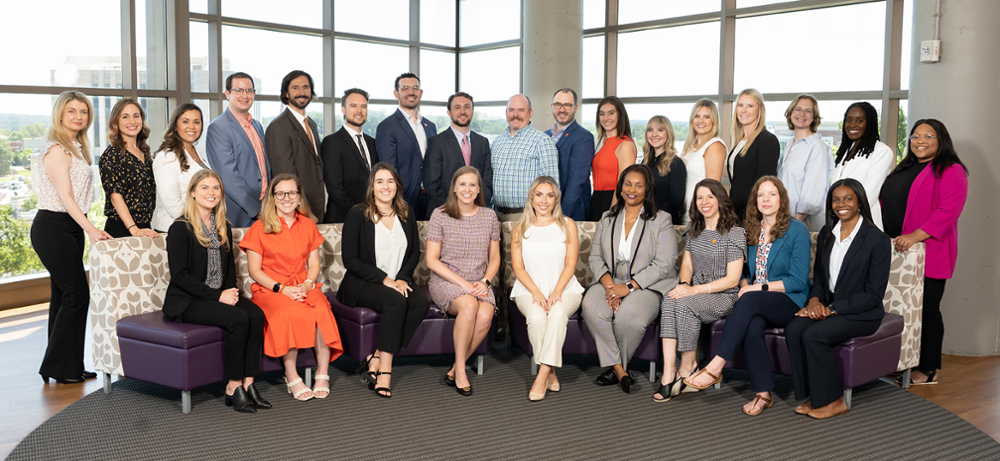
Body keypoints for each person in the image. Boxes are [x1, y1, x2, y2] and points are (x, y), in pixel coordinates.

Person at [679, 177, 811, 415]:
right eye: (761, 195)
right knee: (752, 325)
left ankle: (717, 364)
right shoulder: (752, 229)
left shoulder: (797, 230)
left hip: (789, 299)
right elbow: (748, 271)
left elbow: (798, 281)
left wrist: (756, 288)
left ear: (781, 198)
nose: (766, 200)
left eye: (772, 194)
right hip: (759, 302)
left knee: (747, 300)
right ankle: (763, 394)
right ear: (755, 200)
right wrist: (744, 282)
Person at [163, 169, 269, 413]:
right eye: (204, 188)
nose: (211, 193)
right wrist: (218, 296)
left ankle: (249, 382)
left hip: (217, 294)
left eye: (216, 188)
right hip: (187, 301)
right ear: (192, 193)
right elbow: (180, 276)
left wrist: (230, 290)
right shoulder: (180, 228)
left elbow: (229, 267)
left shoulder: (223, 226)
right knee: (237, 318)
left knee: (255, 314)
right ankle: (233, 386)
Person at [785, 178, 890, 419]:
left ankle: (833, 401)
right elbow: (820, 279)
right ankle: (814, 395)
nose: (841, 204)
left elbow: (874, 295)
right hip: (829, 306)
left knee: (814, 334)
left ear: (860, 203)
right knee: (793, 328)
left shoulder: (877, 240)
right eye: (835, 199)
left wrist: (831, 309)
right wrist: (814, 302)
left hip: (862, 313)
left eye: (848, 198)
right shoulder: (827, 234)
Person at [239, 174, 344, 401]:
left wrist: (307, 284)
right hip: (270, 290)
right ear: (273, 198)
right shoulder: (260, 227)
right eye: (280, 193)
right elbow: (255, 272)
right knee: (291, 312)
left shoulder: (307, 225)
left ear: (299, 197)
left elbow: (314, 264)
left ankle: (322, 374)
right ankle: (292, 375)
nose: (286, 198)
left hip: (303, 285)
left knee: (322, 310)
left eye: (292, 193)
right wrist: (282, 288)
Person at [32, 91, 112, 385]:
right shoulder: (56, 149)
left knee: (64, 296)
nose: (78, 116)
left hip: (69, 227)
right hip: (53, 226)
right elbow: (65, 197)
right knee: (77, 294)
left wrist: (83, 228)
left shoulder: (76, 148)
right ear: (60, 115)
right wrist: (91, 229)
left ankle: (67, 365)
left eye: (83, 112)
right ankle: (58, 366)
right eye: (72, 111)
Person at [880, 119, 968, 386]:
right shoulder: (904, 168)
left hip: (929, 250)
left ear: (941, 140)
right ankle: (904, 361)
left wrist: (914, 236)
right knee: (901, 309)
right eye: (915, 136)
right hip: (896, 249)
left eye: (928, 136)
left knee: (927, 309)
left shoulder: (951, 170)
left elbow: (948, 211)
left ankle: (928, 368)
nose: (920, 141)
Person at [582, 164, 678, 394]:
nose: (632, 189)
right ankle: (620, 370)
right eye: (627, 183)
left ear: (647, 190)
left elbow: (664, 263)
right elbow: (595, 258)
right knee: (592, 307)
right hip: (611, 280)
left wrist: (627, 287)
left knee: (630, 318)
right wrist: (610, 288)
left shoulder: (661, 219)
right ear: (620, 187)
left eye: (639, 185)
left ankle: (616, 367)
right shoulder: (607, 218)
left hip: (647, 284)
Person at [339, 163, 431, 398]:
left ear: (397, 185)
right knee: (396, 302)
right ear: (372, 186)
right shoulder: (357, 214)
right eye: (380, 181)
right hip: (363, 283)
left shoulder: (406, 212)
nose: (385, 186)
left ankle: (377, 355)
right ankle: (385, 373)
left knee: (420, 302)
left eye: (390, 181)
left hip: (397, 281)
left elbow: (414, 253)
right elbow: (350, 260)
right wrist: (386, 280)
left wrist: (401, 278)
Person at [653, 179, 746, 401]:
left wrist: (694, 291)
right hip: (696, 291)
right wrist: (684, 284)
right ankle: (668, 372)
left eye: (710, 196)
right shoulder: (694, 230)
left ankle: (688, 365)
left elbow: (733, 280)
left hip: (723, 295)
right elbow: (687, 265)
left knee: (684, 303)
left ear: (720, 199)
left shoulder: (735, 233)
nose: (704, 202)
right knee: (670, 299)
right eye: (699, 197)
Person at [425, 166, 501, 396]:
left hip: (479, 282)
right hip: (446, 281)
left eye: (472, 184)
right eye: (463, 184)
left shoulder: (489, 216)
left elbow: (495, 258)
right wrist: (464, 285)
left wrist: (486, 282)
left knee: (486, 315)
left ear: (478, 189)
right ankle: (460, 370)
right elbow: (431, 260)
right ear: (455, 188)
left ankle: (455, 366)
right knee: (469, 305)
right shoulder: (440, 214)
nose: (467, 189)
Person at [510, 176, 585, 401]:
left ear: (556, 199)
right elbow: (518, 268)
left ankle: (541, 375)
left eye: (550, 195)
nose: (544, 200)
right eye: (539, 194)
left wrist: (555, 292)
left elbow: (571, 264)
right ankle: (551, 371)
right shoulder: (520, 228)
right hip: (528, 289)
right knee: (536, 318)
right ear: (531, 198)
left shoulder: (567, 224)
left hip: (565, 289)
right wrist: (536, 292)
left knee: (557, 314)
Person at [206, 72, 270, 228]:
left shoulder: (257, 126)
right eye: (239, 90)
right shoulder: (218, 128)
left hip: (266, 211)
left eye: (249, 91)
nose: (245, 95)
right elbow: (228, 176)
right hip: (240, 214)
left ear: (254, 94)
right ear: (228, 94)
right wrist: (256, 210)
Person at [376, 73, 437, 219]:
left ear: (421, 93)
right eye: (405, 88)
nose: (411, 92)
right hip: (403, 200)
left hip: (431, 200)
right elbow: (389, 169)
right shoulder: (387, 126)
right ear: (396, 93)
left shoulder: (430, 126)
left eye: (415, 88)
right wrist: (397, 200)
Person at [265, 70, 324, 223]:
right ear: (286, 93)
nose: (302, 92)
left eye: (306, 87)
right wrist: (305, 212)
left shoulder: (311, 123)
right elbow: (285, 178)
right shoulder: (278, 126)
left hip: (317, 207)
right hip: (298, 213)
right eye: (295, 88)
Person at [490, 94, 560, 222]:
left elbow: (552, 185)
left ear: (530, 113)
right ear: (506, 113)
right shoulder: (496, 142)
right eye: (511, 110)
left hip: (526, 216)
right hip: (496, 215)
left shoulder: (542, 141)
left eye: (521, 110)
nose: (515, 114)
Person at [423, 92, 493, 212]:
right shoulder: (436, 142)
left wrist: (476, 207)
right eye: (457, 107)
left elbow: (487, 181)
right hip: (445, 211)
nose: (462, 111)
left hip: (477, 212)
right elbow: (432, 183)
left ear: (472, 111)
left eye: (467, 107)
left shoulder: (483, 142)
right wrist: (456, 208)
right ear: (449, 113)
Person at [99, 98, 158, 238]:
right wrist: (133, 229)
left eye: (136, 116)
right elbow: (115, 196)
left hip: (144, 226)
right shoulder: (111, 155)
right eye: (125, 116)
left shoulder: (144, 153)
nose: (132, 121)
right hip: (122, 228)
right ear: (116, 122)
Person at [830, 102, 894, 230]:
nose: (852, 125)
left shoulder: (882, 151)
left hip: (863, 222)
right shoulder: (847, 151)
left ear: (869, 123)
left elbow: (869, 193)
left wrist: (844, 214)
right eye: (849, 120)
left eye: (859, 120)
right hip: (840, 221)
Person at [321, 88, 379, 223]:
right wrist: (359, 213)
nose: (359, 110)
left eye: (363, 106)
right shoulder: (332, 142)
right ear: (343, 109)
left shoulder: (372, 142)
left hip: (371, 217)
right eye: (353, 106)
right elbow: (335, 188)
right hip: (343, 218)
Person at [778, 95, 835, 232]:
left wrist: (793, 225)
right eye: (798, 109)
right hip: (785, 221)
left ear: (814, 117)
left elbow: (813, 195)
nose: (802, 114)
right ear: (790, 112)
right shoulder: (790, 144)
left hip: (803, 226)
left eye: (808, 111)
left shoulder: (817, 147)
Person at [152, 103, 212, 233]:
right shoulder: (167, 156)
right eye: (185, 121)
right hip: (177, 229)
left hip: (199, 228)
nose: (191, 126)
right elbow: (172, 203)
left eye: (196, 122)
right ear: (175, 126)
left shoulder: (197, 152)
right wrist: (199, 225)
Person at [726, 89, 780, 219]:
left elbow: (763, 185)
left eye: (750, 106)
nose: (744, 110)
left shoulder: (767, 140)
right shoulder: (740, 143)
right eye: (740, 105)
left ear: (760, 109)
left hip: (753, 217)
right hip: (736, 214)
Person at [546, 88, 596, 221]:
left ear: (575, 108)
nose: (562, 109)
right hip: (546, 211)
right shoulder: (545, 135)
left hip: (570, 213)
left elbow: (577, 182)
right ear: (552, 106)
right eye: (558, 105)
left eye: (567, 105)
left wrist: (561, 216)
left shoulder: (584, 137)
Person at [589, 96, 637, 221]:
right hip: (597, 199)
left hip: (612, 201)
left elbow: (624, 184)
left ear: (620, 115)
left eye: (611, 113)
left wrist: (613, 211)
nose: (606, 118)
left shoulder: (625, 144)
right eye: (602, 114)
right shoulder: (604, 144)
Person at [680, 99, 726, 223]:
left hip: (699, 215)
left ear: (714, 121)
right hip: (683, 213)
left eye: (706, 117)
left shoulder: (714, 146)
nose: (701, 121)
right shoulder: (689, 146)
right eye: (697, 116)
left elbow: (712, 190)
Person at [641, 115, 687, 224]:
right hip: (644, 221)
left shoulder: (676, 163)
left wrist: (652, 218)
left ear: (668, 134)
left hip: (664, 224)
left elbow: (676, 202)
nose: (654, 134)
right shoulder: (646, 161)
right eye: (650, 130)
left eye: (660, 130)